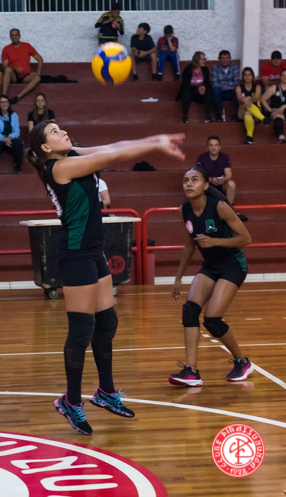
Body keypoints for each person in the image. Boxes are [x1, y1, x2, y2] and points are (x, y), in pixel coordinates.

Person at [26, 121, 185, 435]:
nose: (63, 132)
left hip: (93, 249)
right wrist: (155, 144)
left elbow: (115, 146)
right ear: (45, 147)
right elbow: (112, 156)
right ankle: (71, 401)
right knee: (81, 329)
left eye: (60, 128)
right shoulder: (59, 167)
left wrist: (156, 137)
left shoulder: (72, 154)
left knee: (107, 321)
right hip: (75, 253)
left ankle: (106, 392)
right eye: (54, 132)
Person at [168, 167, 253, 387]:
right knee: (190, 311)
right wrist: (178, 278)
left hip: (233, 266)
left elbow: (246, 238)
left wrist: (216, 242)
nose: (188, 184)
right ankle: (191, 371)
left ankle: (242, 362)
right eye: (185, 180)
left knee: (212, 319)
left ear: (206, 185)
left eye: (194, 180)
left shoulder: (220, 207)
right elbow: (190, 246)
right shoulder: (184, 210)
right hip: (210, 266)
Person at [196, 135, 248, 221]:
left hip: (221, 184)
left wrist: (223, 180)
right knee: (198, 184)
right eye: (211, 145)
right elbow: (199, 175)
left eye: (216, 145)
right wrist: (211, 180)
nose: (213, 147)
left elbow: (228, 175)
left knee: (231, 184)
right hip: (207, 186)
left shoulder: (225, 157)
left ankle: (229, 210)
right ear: (207, 147)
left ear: (219, 147)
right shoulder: (201, 158)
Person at [1, 29, 43, 103]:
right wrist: (15, 68)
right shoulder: (6, 49)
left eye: (16, 35)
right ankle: (3, 97)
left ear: (19, 36)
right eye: (12, 35)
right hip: (13, 76)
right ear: (10, 37)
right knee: (7, 69)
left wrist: (38, 72)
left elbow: (40, 59)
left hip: (25, 76)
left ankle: (17, 97)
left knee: (37, 78)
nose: (14, 37)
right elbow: (5, 66)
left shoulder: (27, 46)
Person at [0, 95, 23, 174]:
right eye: (2, 102)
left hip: (10, 139)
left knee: (18, 143)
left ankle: (17, 166)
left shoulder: (14, 115)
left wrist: (9, 138)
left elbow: (17, 131)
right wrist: (3, 139)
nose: (4, 104)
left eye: (6, 102)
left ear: (9, 103)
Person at [177, 52, 213, 123]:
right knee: (185, 93)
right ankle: (185, 115)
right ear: (196, 60)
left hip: (200, 94)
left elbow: (207, 83)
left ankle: (208, 115)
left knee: (209, 92)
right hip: (190, 93)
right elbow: (184, 84)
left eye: (205, 59)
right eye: (202, 59)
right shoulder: (188, 69)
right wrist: (197, 88)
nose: (204, 61)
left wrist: (204, 87)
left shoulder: (205, 69)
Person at [236, 67, 267, 144]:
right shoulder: (239, 88)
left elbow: (256, 99)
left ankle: (249, 137)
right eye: (245, 75)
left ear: (252, 76)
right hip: (241, 112)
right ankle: (264, 118)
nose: (247, 77)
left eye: (249, 75)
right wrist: (248, 99)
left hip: (255, 113)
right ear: (243, 77)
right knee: (246, 105)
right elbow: (239, 99)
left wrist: (246, 99)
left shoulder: (257, 87)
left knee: (248, 112)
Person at [211, 50, 240, 122]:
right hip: (220, 92)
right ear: (219, 59)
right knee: (216, 89)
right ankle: (219, 114)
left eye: (227, 58)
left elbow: (236, 82)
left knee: (237, 90)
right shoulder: (215, 67)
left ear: (230, 58)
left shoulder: (235, 66)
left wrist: (221, 83)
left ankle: (236, 114)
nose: (225, 60)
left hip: (231, 92)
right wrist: (228, 87)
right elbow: (214, 83)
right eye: (223, 58)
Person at [261, 68, 286, 143]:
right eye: (283, 75)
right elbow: (262, 99)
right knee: (278, 116)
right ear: (280, 77)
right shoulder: (275, 87)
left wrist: (284, 106)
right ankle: (280, 136)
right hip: (276, 110)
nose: (285, 77)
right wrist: (269, 109)